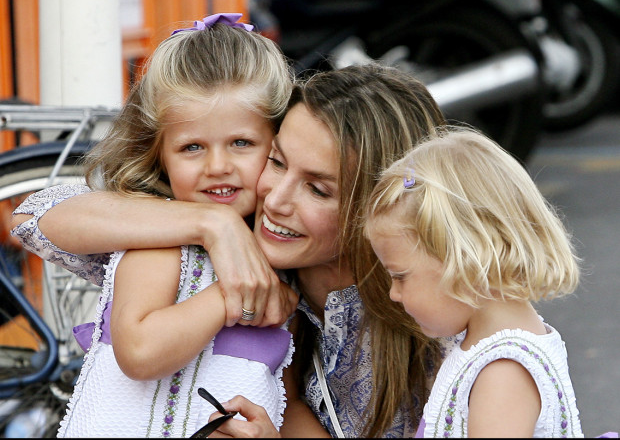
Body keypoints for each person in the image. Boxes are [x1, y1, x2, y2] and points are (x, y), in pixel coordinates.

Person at [12, 63, 455, 437]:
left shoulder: (434, 318)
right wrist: (212, 223)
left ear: (380, 207)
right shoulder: (229, 247)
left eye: (318, 189)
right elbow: (35, 216)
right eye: (277, 162)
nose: (275, 200)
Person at [48, 12, 300, 437]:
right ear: (159, 154)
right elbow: (141, 352)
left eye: (241, 143)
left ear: (277, 144)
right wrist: (229, 295)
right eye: (192, 147)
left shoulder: (279, 254)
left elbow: (285, 393)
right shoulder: (164, 243)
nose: (218, 167)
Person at [363, 126, 584, 437]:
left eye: (399, 276)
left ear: (465, 259)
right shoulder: (482, 349)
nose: (393, 294)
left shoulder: (504, 371)